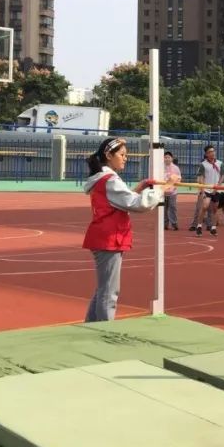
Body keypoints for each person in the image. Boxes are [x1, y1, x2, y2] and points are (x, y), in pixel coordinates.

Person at [82, 137, 164, 322]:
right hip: (109, 238)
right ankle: (105, 328)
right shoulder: (109, 180)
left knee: (104, 288)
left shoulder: (104, 179)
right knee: (109, 291)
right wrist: (163, 188)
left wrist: (139, 188)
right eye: (122, 154)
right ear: (109, 156)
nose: (126, 158)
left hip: (106, 237)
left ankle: (92, 325)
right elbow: (138, 204)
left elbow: (121, 201)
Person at [193, 145, 224, 236]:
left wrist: (218, 187)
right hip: (207, 189)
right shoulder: (203, 164)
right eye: (210, 152)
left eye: (213, 151)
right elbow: (201, 178)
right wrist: (202, 191)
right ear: (206, 154)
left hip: (216, 189)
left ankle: (213, 228)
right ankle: (199, 226)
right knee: (205, 206)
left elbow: (222, 175)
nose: (212, 153)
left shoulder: (219, 163)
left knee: (215, 209)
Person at [162, 152, 182, 230]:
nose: (167, 159)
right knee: (164, 209)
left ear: (172, 158)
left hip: (172, 192)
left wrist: (174, 187)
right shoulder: (160, 167)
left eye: (168, 157)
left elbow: (179, 178)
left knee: (172, 208)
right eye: (165, 157)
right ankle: (165, 224)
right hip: (163, 192)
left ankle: (174, 224)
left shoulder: (176, 168)